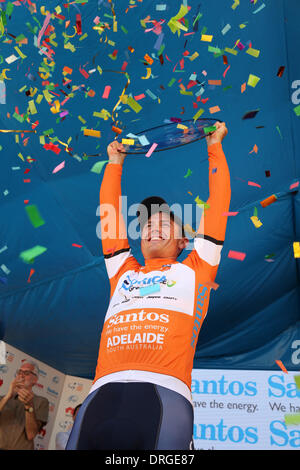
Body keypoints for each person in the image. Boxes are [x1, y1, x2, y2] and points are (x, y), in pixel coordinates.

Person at [66, 121, 231, 450]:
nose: (153, 228)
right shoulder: (122, 271)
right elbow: (110, 215)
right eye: (147, 224)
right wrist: (115, 165)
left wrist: (214, 147)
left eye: (163, 223)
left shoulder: (198, 267)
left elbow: (219, 202)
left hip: (163, 398)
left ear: (184, 240)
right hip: (100, 396)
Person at [0, 360, 49, 450]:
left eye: (26, 373)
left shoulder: (41, 402)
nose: (21, 376)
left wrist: (29, 405)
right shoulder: (3, 398)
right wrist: (8, 396)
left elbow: (31, 434)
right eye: (19, 372)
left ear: (35, 380)